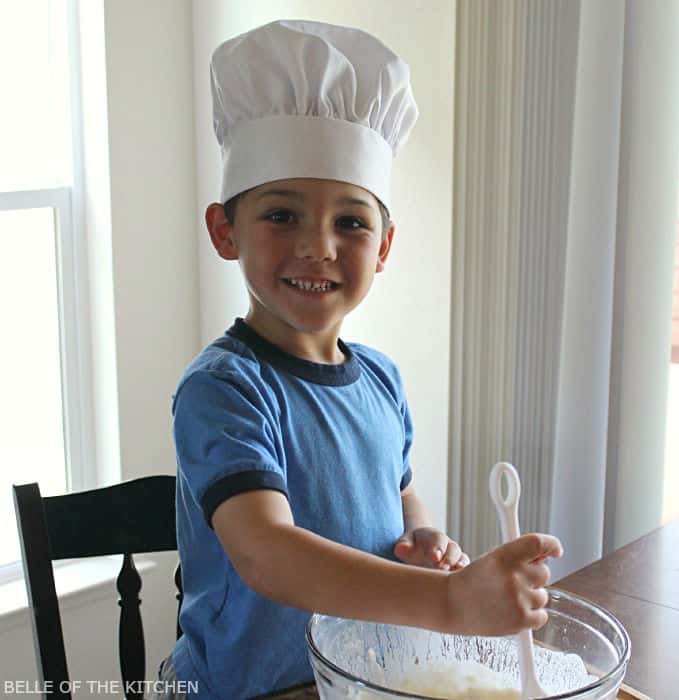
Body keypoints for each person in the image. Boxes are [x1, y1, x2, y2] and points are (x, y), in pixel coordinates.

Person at [152, 19, 563, 700]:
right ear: (225, 231)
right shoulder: (224, 390)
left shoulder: (380, 379)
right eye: (282, 215)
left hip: (364, 681)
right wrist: (453, 603)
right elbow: (267, 554)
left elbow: (401, 502)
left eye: (350, 222)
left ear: (385, 247)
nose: (318, 247)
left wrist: (425, 538)